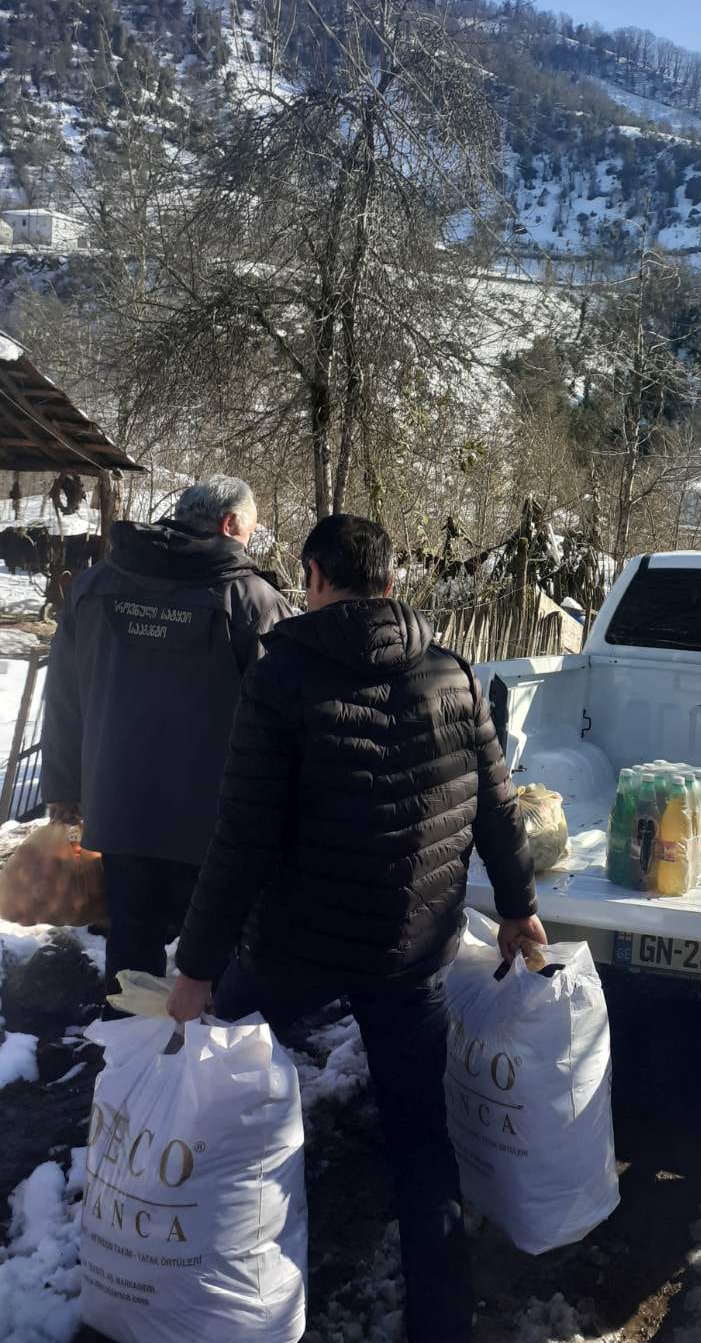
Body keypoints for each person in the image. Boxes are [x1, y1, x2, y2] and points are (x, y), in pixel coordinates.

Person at [166, 513, 545, 1343]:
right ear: (391, 581)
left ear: (313, 575)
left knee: (208, 1092)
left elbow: (240, 837)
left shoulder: (282, 677)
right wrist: (518, 908)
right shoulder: (451, 672)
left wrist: (195, 969)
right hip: (411, 951)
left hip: (293, 949)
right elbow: (497, 806)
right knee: (421, 1140)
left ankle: (204, 1277)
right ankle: (442, 1324)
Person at [41, 475, 292, 1004]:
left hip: (120, 812)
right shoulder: (252, 602)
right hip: (217, 825)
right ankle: (210, 1061)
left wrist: (64, 790)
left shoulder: (93, 587)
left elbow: (62, 698)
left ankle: (129, 1066)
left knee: (131, 951)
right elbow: (283, 722)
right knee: (218, 955)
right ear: (229, 526)